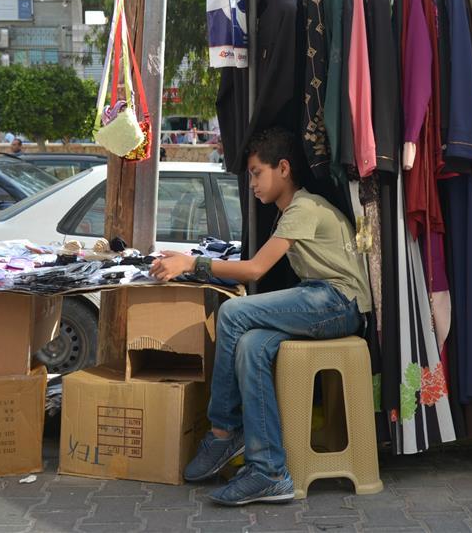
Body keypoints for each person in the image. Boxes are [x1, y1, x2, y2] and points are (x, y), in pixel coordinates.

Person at [150, 127, 370, 506]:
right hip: (319, 298)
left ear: (283, 168)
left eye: (256, 173)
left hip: (339, 301)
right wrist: (190, 263)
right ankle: (270, 472)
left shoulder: (303, 206)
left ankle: (223, 430)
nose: (251, 183)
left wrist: (194, 263)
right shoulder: (294, 211)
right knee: (251, 344)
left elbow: (254, 271)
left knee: (233, 312)